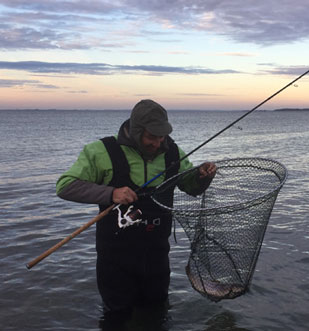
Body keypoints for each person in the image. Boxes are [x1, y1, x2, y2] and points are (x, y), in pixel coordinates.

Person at [56, 99, 216, 326]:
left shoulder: (172, 153)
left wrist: (202, 176)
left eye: (162, 136)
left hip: (156, 257)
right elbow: (66, 186)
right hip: (115, 261)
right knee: (116, 318)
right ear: (135, 130)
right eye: (152, 137)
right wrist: (111, 193)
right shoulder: (102, 151)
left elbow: (190, 187)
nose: (158, 142)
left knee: (157, 313)